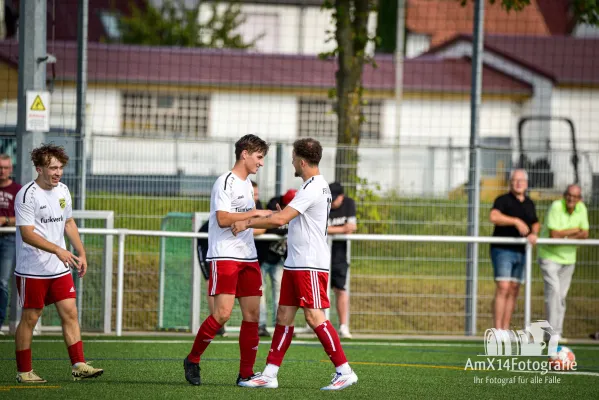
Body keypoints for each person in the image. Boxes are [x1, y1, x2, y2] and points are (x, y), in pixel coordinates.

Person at [232, 138, 358, 391]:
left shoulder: (313, 187)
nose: (291, 161)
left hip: (308, 264)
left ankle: (344, 371)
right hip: (295, 263)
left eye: (292, 158)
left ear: (301, 161)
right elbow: (292, 219)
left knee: (313, 316)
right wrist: (284, 217)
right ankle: (270, 374)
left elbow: (279, 219)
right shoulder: (312, 186)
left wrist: (246, 223)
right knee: (284, 316)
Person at [183, 134, 272, 386]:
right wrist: (253, 213)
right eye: (259, 157)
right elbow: (222, 219)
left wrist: (270, 218)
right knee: (222, 314)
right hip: (224, 255)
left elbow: (244, 221)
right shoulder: (226, 181)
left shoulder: (247, 185)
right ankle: (193, 359)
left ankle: (245, 374)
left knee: (252, 315)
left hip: (248, 256)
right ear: (245, 153)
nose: (261, 163)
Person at [13, 144, 103, 383]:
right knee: (31, 318)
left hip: (59, 268)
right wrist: (57, 249)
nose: (58, 173)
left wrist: (81, 253)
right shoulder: (27, 194)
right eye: (53, 168)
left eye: (60, 167)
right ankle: (24, 372)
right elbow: (27, 234)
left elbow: (69, 223)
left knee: (70, 312)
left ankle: (78, 364)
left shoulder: (63, 190)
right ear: (39, 169)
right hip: (32, 269)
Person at [489, 169, 539, 331]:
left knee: (514, 289)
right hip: (503, 250)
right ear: (510, 182)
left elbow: (535, 222)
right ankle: (497, 331)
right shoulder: (502, 200)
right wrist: (515, 221)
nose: (518, 183)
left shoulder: (529, 203)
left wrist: (534, 234)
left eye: (521, 181)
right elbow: (494, 217)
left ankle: (505, 328)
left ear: (526, 183)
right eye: (515, 180)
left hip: (522, 252)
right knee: (503, 287)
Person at [537, 184, 589, 342]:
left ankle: (555, 332)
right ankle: (553, 334)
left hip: (568, 259)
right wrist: (574, 230)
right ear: (564, 195)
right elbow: (554, 235)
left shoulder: (582, 209)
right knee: (553, 292)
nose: (571, 198)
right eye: (568, 195)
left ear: (579, 198)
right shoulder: (556, 206)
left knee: (561, 296)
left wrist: (565, 235)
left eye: (575, 196)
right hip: (549, 256)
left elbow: (585, 234)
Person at [256, 189, 297, 337]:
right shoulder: (274, 208)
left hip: (279, 260)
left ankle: (281, 324)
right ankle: (261, 325)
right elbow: (275, 225)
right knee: (260, 292)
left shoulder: (296, 212)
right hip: (263, 259)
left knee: (280, 294)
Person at [326, 182, 357, 339]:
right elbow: (319, 228)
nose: (331, 202)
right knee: (318, 290)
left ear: (342, 197)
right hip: (322, 253)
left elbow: (351, 227)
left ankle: (343, 326)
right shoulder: (323, 202)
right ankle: (319, 325)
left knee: (340, 289)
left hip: (339, 255)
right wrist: (341, 229)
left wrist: (331, 230)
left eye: (334, 199)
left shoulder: (349, 204)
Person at [0, 154, 21, 335]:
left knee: (2, 282)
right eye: (0, 167)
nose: (2, 171)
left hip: (8, 239)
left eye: (5, 167)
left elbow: (25, 217)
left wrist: (5, 220)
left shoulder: (17, 191)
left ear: (10, 169)